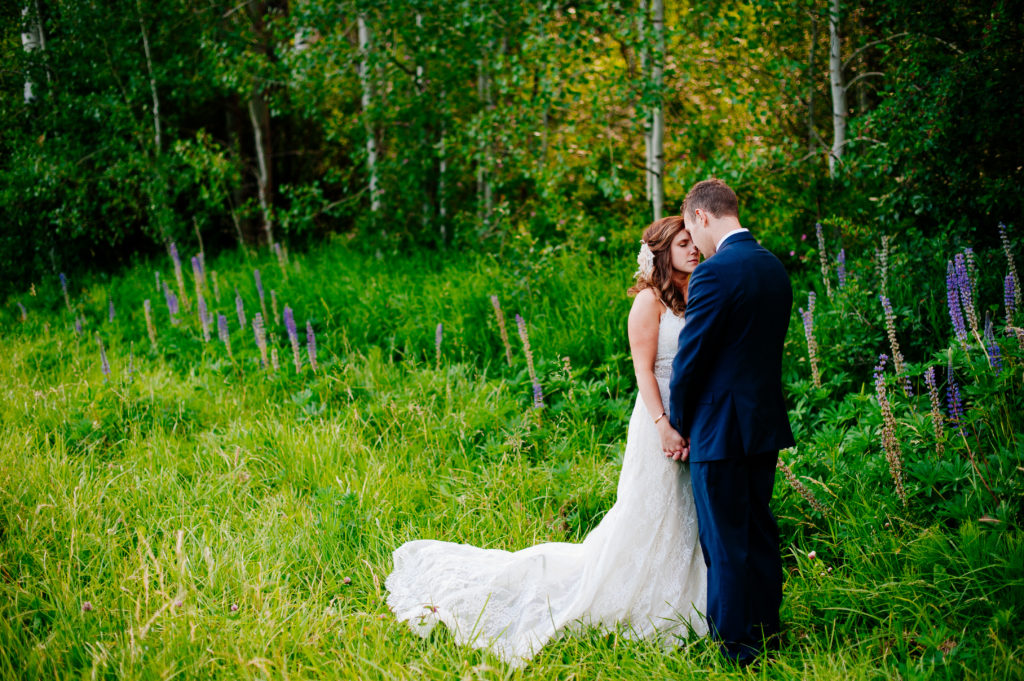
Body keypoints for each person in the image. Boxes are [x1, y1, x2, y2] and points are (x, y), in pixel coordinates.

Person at [385, 216, 708, 667]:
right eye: (682, 244)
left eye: (694, 242)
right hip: (660, 418)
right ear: (661, 252)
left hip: (698, 417)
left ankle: (690, 594)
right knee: (648, 509)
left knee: (685, 510)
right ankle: (633, 594)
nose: (693, 250)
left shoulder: (699, 291)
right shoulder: (648, 303)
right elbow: (643, 371)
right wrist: (663, 425)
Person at [668, 178, 795, 666]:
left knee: (724, 542)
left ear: (702, 216)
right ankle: (769, 631)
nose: (695, 246)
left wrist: (679, 424)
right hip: (761, 425)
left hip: (719, 429)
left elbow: (691, 361)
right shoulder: (772, 267)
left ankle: (737, 648)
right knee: (759, 531)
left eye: (692, 230)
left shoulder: (715, 273)